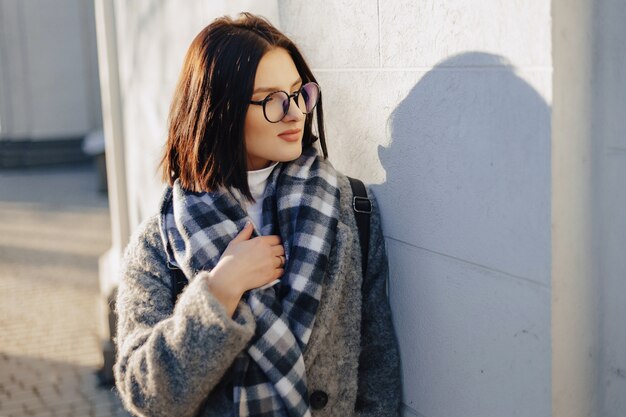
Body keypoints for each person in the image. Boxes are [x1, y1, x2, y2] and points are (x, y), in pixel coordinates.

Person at [114, 12, 401, 417]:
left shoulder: (351, 207)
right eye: (271, 99)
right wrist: (220, 291)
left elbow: (377, 371)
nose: (295, 112)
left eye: (299, 92)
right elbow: (146, 394)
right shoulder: (160, 241)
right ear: (220, 111)